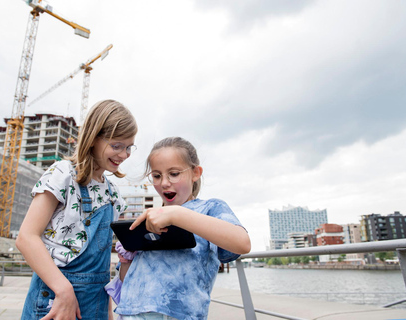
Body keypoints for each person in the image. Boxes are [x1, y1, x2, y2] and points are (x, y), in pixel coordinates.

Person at [16, 99, 138, 320]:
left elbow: (102, 268)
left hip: (96, 305)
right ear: (93, 139)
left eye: (129, 147)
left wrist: (107, 314)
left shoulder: (114, 195)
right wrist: (64, 290)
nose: (124, 154)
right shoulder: (63, 174)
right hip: (55, 299)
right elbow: (26, 238)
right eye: (116, 146)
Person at [109, 136, 251, 320]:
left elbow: (242, 243)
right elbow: (125, 280)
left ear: (195, 173)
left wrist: (177, 214)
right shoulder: (152, 218)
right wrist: (127, 257)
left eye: (174, 174)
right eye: (157, 176)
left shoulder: (210, 208)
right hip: (132, 313)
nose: (164, 183)